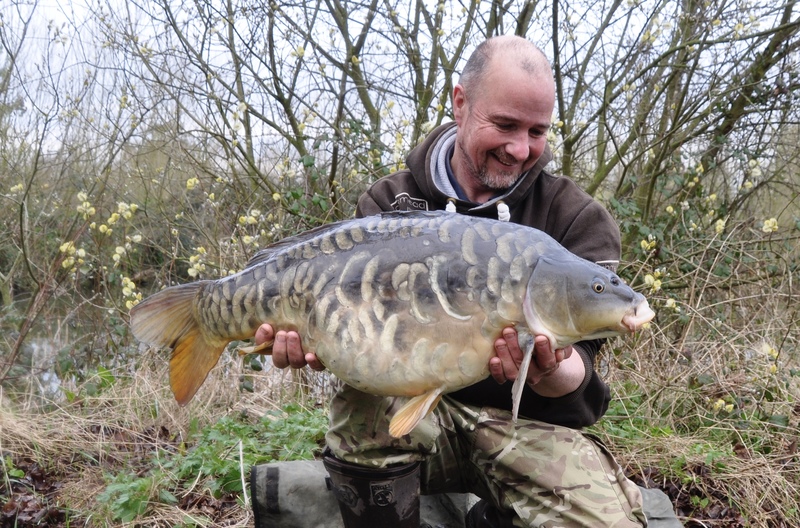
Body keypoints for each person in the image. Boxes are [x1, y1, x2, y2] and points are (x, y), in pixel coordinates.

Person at [255, 35, 648, 528]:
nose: (520, 148)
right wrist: (308, 338)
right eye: (504, 124)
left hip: (526, 431)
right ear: (461, 103)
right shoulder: (390, 203)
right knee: (368, 414)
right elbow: (357, 348)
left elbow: (583, 384)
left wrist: (552, 369)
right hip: (411, 427)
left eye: (537, 131)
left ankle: (492, 516)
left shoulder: (576, 219)